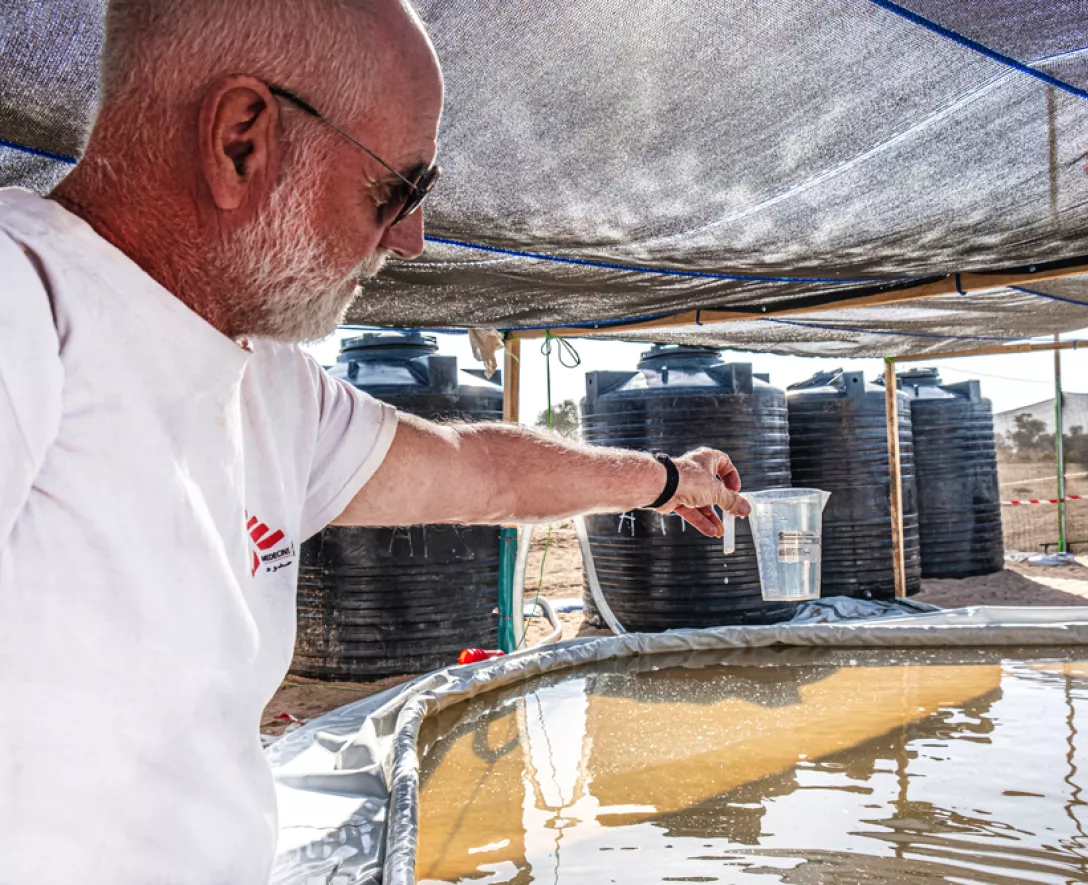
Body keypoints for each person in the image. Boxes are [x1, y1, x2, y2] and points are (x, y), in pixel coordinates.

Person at [0, 2, 749, 883]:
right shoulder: (25, 303)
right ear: (242, 141)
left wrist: (666, 479)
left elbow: (481, 471)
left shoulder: (270, 383)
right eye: (398, 189)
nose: (413, 239)